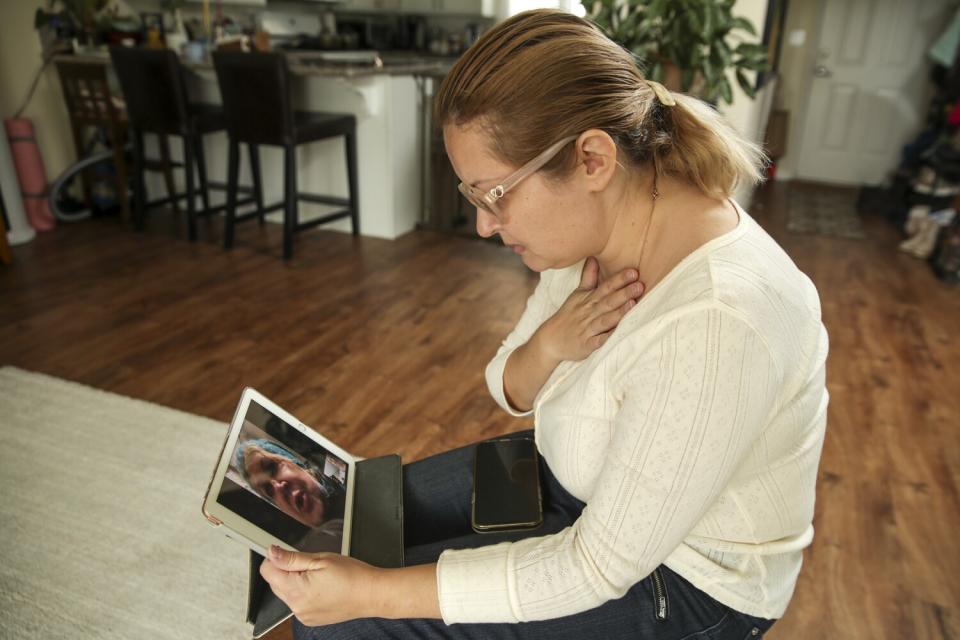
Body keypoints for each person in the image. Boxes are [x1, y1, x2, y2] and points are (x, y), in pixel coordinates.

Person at [258, 9, 829, 639]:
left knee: (342, 622)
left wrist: (374, 593)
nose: (482, 224)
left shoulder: (719, 322)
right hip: (575, 477)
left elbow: (596, 564)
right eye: (471, 196)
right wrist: (552, 341)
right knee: (345, 522)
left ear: (592, 159)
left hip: (688, 581)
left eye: (493, 195)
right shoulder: (599, 233)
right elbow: (508, 385)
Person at [235, 437, 346, 531]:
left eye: (272, 467)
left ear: (294, 462)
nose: (278, 487)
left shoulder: (330, 465)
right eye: (268, 489)